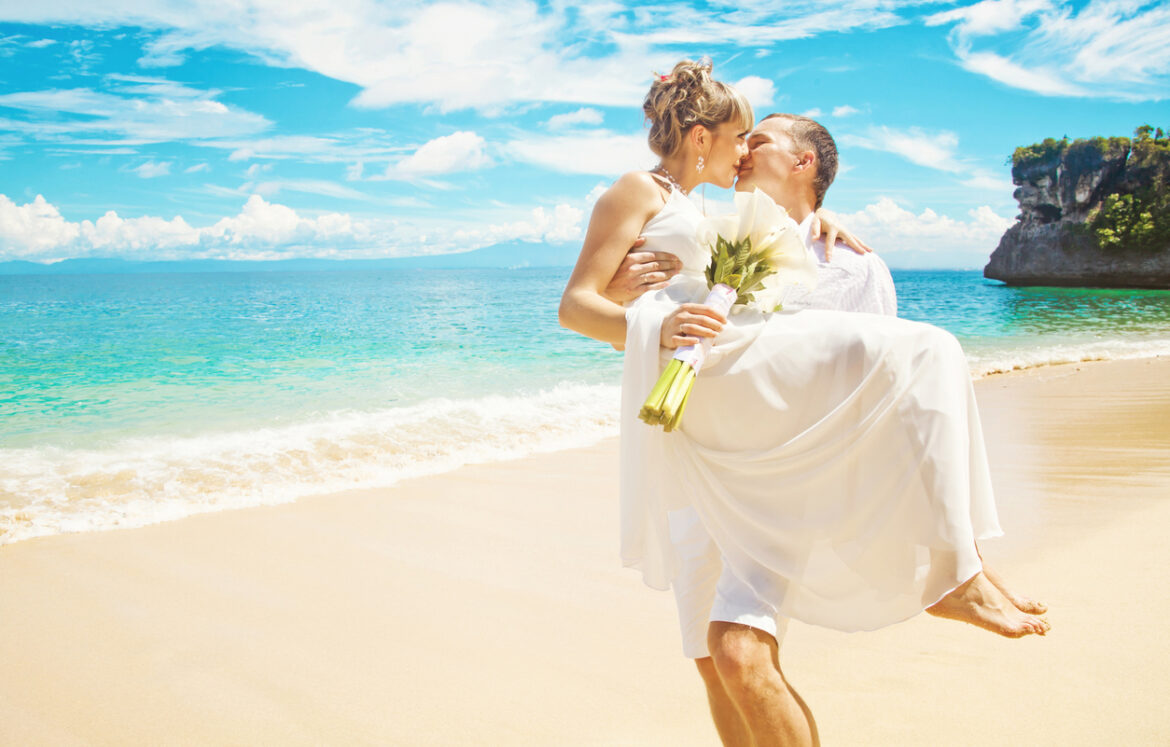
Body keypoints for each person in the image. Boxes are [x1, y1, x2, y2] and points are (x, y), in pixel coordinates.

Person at [558, 60, 1048, 746]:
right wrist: (642, 317)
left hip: (771, 446)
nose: (746, 149)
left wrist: (817, 217)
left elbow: (867, 378)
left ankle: (959, 568)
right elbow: (581, 305)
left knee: (926, 351)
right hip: (701, 432)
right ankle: (957, 571)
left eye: (758, 139)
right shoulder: (643, 192)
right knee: (712, 657)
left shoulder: (722, 215)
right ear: (703, 137)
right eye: (740, 136)